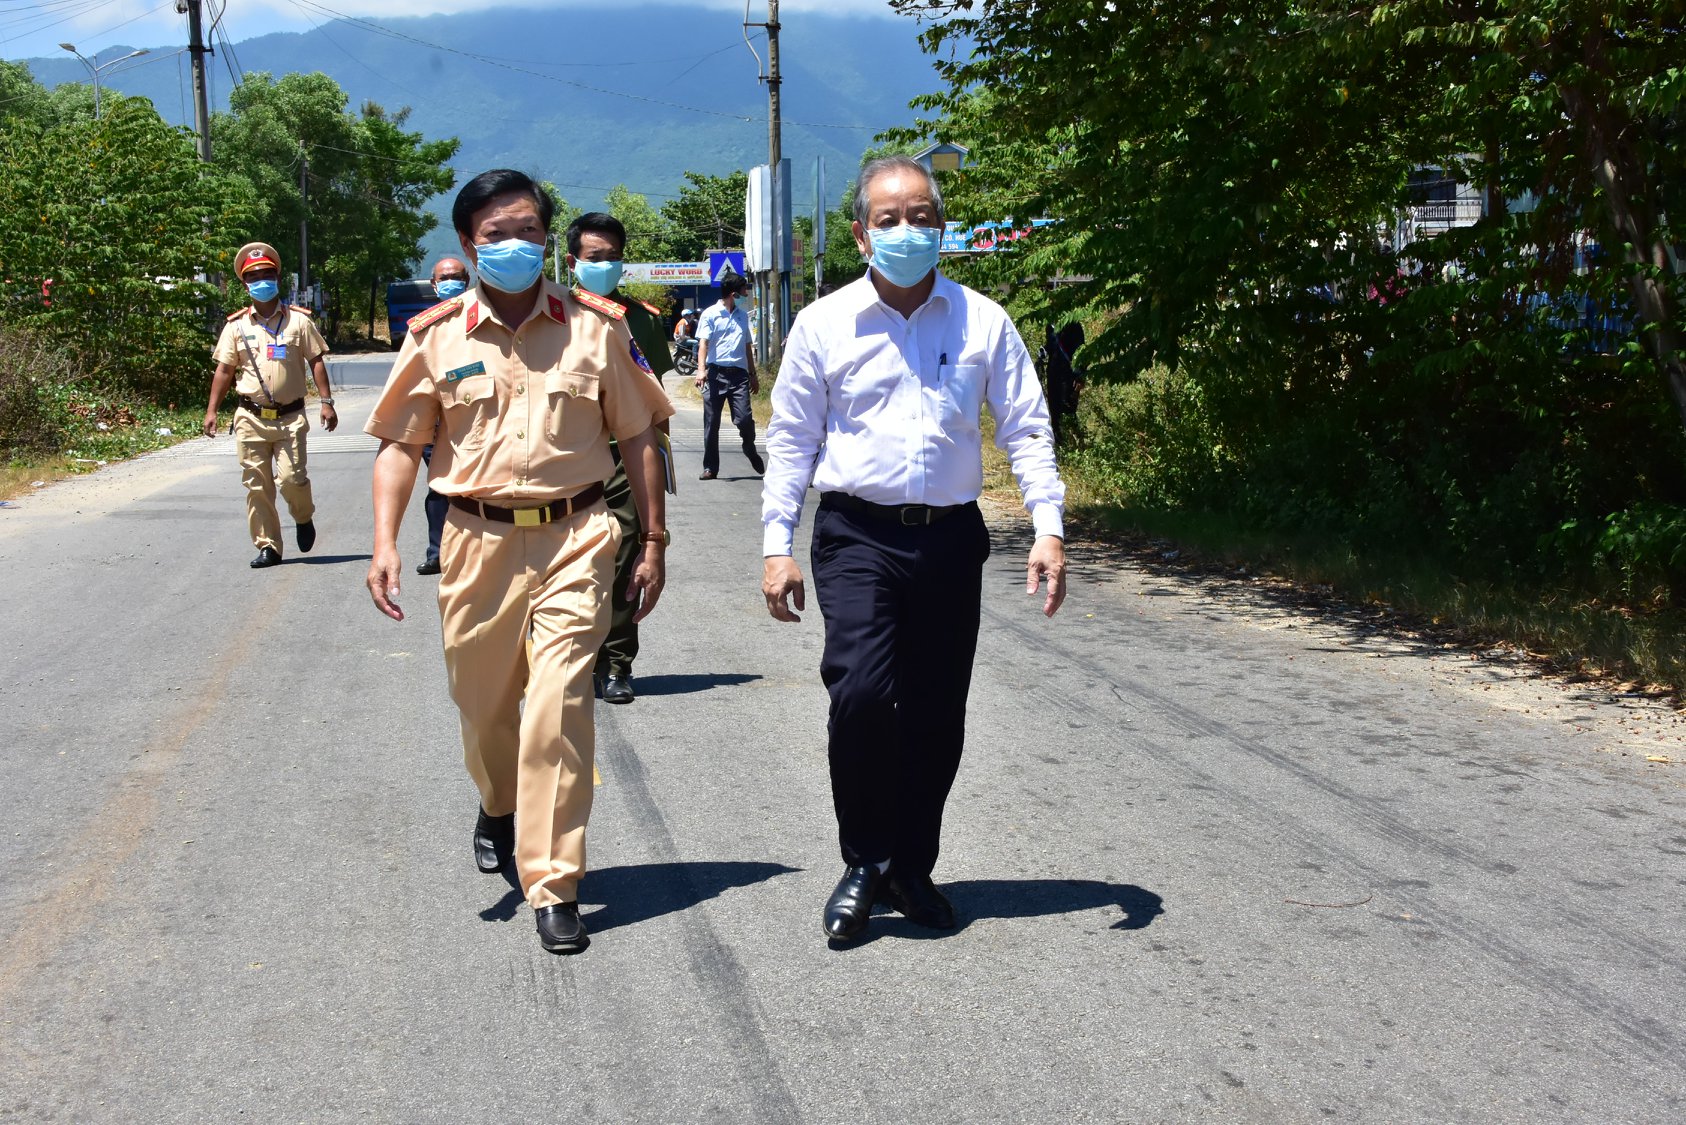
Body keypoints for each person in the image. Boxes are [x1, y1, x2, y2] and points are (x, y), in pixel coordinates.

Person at [364, 169, 673, 955]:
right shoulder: (436, 335)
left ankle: (553, 880)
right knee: (485, 707)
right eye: (496, 234)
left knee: (560, 705)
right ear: (468, 245)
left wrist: (657, 541)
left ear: (548, 239)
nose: (515, 245)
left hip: (577, 535)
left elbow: (638, 434)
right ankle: (497, 801)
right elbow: (402, 444)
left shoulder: (596, 328)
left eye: (529, 230)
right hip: (476, 541)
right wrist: (384, 542)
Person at [760, 155, 1068, 943]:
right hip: (857, 532)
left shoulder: (982, 320)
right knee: (860, 693)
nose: (907, 230)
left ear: (944, 227)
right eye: (889, 218)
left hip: (949, 538)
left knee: (936, 710)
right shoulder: (824, 324)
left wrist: (1048, 525)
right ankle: (863, 859)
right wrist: (776, 545)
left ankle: (909, 867)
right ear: (861, 233)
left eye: (922, 216)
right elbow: (792, 440)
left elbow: (1026, 426)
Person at [564, 211, 676, 705]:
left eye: (612, 258)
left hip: (625, 462)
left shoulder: (643, 321)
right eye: (594, 258)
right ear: (572, 262)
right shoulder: (553, 316)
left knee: (625, 559)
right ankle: (564, 657)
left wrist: (661, 468)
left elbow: (657, 405)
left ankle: (615, 664)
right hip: (566, 461)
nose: (604, 265)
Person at [202, 241, 337, 568]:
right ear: (245, 284)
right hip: (250, 417)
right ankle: (269, 547)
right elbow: (224, 370)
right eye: (254, 276)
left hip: (290, 418)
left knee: (292, 480)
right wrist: (211, 411)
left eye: (267, 274)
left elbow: (316, 361)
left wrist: (326, 401)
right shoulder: (236, 326)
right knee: (257, 485)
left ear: (277, 278)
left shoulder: (299, 322)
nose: (262, 280)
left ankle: (303, 518)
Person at [416, 256, 470, 576]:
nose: (451, 282)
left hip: (478, 420)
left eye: (457, 277)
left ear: (468, 282)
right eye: (444, 277)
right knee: (440, 487)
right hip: (436, 424)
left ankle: (473, 552)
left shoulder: (484, 322)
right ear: (434, 284)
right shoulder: (423, 328)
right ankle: (438, 551)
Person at [694, 274, 763, 480]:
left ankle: (749, 447)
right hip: (716, 375)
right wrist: (701, 369)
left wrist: (753, 374)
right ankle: (710, 467)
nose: (746, 293)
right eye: (744, 290)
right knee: (712, 422)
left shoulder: (743, 316)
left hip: (739, 377)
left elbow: (747, 346)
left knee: (744, 419)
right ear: (734, 293)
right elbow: (703, 344)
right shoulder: (710, 314)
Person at [1038, 321, 1085, 447]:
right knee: (1054, 409)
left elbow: (1082, 351)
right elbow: (1051, 345)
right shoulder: (1050, 326)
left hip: (1069, 375)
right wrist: (1044, 351)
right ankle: (1059, 445)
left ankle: (1078, 443)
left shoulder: (1073, 324)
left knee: (1068, 408)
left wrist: (1080, 375)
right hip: (1053, 374)